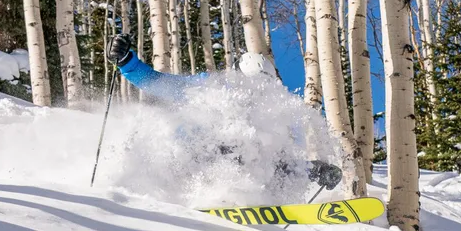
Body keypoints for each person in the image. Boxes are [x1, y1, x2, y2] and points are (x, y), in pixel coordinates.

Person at [106, 34, 342, 190]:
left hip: (237, 178)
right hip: (186, 164)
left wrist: (314, 170)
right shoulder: (211, 89)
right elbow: (158, 83)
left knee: (260, 152)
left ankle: (242, 199)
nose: (255, 93)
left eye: (263, 87)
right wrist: (126, 61)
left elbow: (279, 164)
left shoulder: (267, 120)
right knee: (239, 141)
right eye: (251, 84)